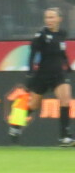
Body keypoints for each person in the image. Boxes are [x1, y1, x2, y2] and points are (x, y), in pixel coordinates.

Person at [8, 8, 73, 146]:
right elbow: (33, 53)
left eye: (52, 17)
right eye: (47, 17)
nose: (49, 20)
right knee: (34, 105)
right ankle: (16, 125)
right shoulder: (41, 35)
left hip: (58, 74)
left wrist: (67, 66)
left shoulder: (62, 33)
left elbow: (61, 52)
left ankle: (64, 137)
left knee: (66, 100)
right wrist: (30, 71)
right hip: (43, 74)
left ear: (59, 19)